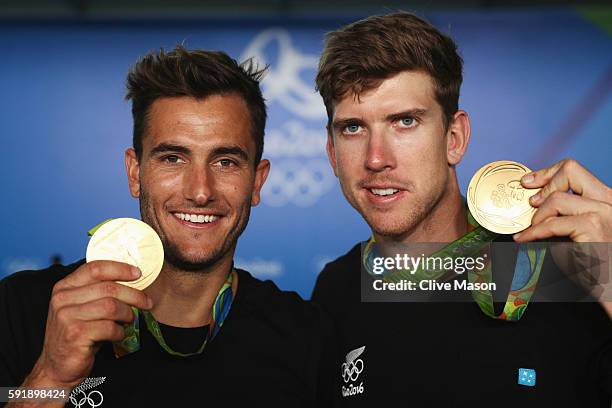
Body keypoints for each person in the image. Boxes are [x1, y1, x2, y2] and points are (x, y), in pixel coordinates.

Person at [0, 46, 335, 407]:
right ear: (135, 173)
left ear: (257, 181)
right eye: (173, 158)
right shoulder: (23, 310)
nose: (200, 191)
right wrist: (50, 378)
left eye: (225, 162)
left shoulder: (306, 336)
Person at [311, 12, 612, 406]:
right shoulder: (338, 288)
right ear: (333, 153)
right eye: (353, 128)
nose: (376, 158)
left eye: (404, 121)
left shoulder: (567, 266)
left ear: (454, 137)